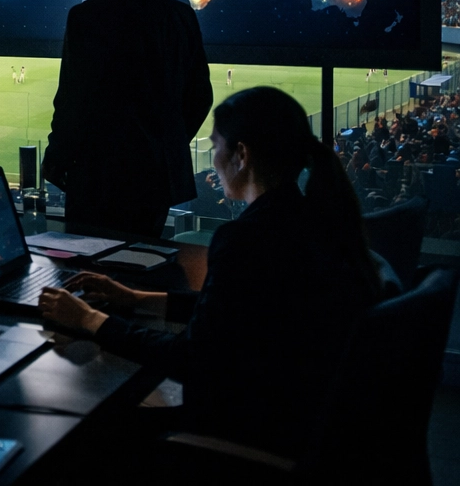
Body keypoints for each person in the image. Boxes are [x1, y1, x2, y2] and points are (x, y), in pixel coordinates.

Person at [38, 87, 381, 463]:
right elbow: (242, 312)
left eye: (216, 146)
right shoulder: (313, 222)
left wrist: (89, 319)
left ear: (242, 155)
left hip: (255, 431)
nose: (213, 159)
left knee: (89, 431)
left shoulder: (246, 239)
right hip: (299, 417)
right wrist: (137, 299)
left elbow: (193, 360)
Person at [42, 0, 212, 237]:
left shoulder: (86, 17)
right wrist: (162, 147)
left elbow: (73, 100)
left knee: (92, 270)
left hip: (100, 180)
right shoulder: (179, 15)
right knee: (142, 260)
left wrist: (56, 157)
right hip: (159, 180)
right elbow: (200, 97)